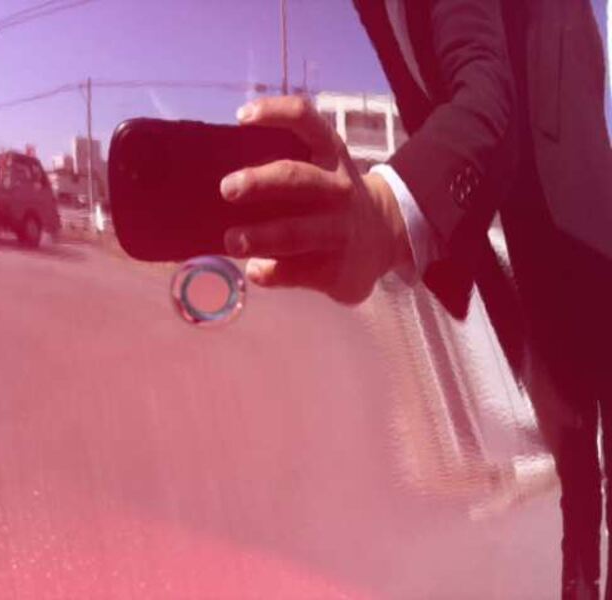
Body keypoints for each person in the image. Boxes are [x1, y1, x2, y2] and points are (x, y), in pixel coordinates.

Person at [220, 1, 612, 597]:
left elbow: (489, 99)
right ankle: (579, 564)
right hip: (509, 197)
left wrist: (386, 212)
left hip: (566, 176)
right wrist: (524, 345)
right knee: (571, 447)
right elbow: (443, 113)